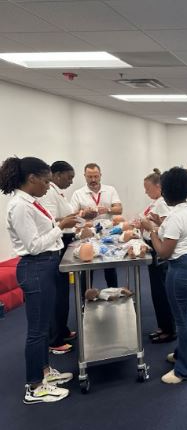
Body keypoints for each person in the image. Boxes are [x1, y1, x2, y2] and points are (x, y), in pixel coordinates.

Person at [1, 156, 78, 404]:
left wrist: (60, 224)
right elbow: (33, 246)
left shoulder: (30, 202)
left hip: (45, 264)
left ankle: (44, 372)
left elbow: (43, 231)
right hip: (36, 266)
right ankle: (34, 386)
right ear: (31, 179)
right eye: (45, 181)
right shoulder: (20, 206)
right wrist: (61, 226)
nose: (48, 186)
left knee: (44, 325)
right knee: (36, 330)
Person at [140, 167, 187, 384]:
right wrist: (161, 225)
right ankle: (184, 354)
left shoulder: (174, 216)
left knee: (182, 319)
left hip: (183, 268)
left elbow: (163, 252)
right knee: (186, 313)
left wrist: (150, 228)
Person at [39, 161, 77, 355]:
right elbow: (52, 223)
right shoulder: (49, 194)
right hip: (53, 245)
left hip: (62, 241)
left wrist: (77, 216)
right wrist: (67, 222)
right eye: (69, 177)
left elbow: (62, 219)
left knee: (63, 292)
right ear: (57, 174)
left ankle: (61, 329)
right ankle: (55, 339)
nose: (71, 181)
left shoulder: (58, 192)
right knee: (58, 295)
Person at [70, 163, 122, 288]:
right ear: (84, 176)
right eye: (89, 177)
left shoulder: (110, 190)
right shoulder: (78, 193)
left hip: (107, 234)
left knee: (110, 266)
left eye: (95, 176)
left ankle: (114, 293)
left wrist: (107, 210)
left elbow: (119, 209)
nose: (93, 180)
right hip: (88, 235)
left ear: (100, 175)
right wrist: (84, 213)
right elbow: (71, 215)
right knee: (87, 268)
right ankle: (84, 301)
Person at [142, 169, 176, 345]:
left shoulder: (162, 203)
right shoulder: (158, 202)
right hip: (153, 246)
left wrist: (148, 225)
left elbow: (165, 229)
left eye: (148, 188)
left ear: (158, 186)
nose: (146, 192)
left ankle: (169, 329)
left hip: (159, 249)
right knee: (157, 291)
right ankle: (164, 326)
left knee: (161, 291)